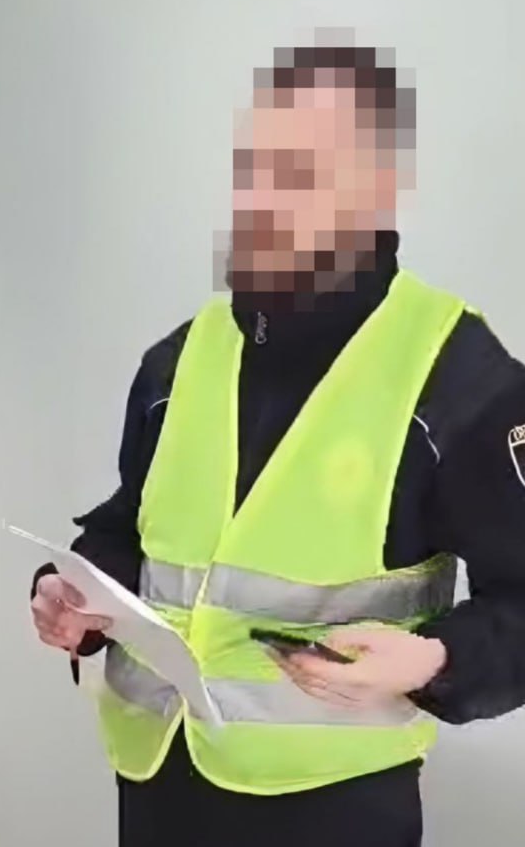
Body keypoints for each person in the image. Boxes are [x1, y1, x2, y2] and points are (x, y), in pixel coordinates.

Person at [30, 43, 525, 847]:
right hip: (158, 793)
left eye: (299, 172)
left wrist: (431, 659)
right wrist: (75, 595)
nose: (262, 198)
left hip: (331, 810)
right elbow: (134, 529)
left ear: (377, 189)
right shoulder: (180, 357)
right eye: (252, 167)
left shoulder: (456, 375)